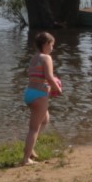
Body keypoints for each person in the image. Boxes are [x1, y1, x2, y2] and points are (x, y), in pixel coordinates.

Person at [23, 31, 62, 165]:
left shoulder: (34, 58)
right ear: (46, 44)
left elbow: (38, 76)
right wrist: (57, 88)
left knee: (45, 120)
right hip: (40, 95)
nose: (52, 48)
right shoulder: (47, 58)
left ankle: (31, 149)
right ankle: (26, 159)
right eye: (52, 45)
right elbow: (49, 77)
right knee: (33, 128)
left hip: (29, 93)